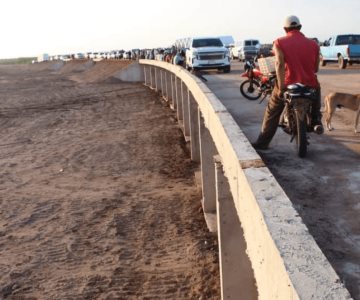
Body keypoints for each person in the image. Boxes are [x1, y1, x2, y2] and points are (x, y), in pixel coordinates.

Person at [252, 15, 323, 150]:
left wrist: (281, 87)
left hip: (288, 83)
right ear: (300, 27)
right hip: (309, 84)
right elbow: (315, 69)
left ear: (285, 29)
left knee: (272, 111)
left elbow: (279, 65)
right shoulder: (314, 44)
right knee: (317, 89)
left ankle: (262, 143)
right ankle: (316, 119)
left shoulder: (279, 42)